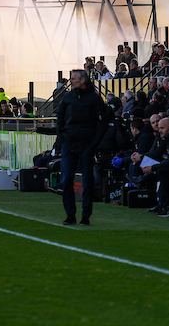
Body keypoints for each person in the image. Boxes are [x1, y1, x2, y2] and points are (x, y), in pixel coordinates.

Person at [55, 69, 109, 225]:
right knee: (66, 180)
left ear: (82, 80)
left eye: (73, 79)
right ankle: (70, 214)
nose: (71, 81)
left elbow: (102, 122)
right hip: (68, 143)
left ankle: (86, 215)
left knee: (87, 180)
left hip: (86, 144)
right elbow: (60, 116)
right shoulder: (68, 97)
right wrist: (62, 135)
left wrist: (93, 143)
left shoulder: (94, 99)